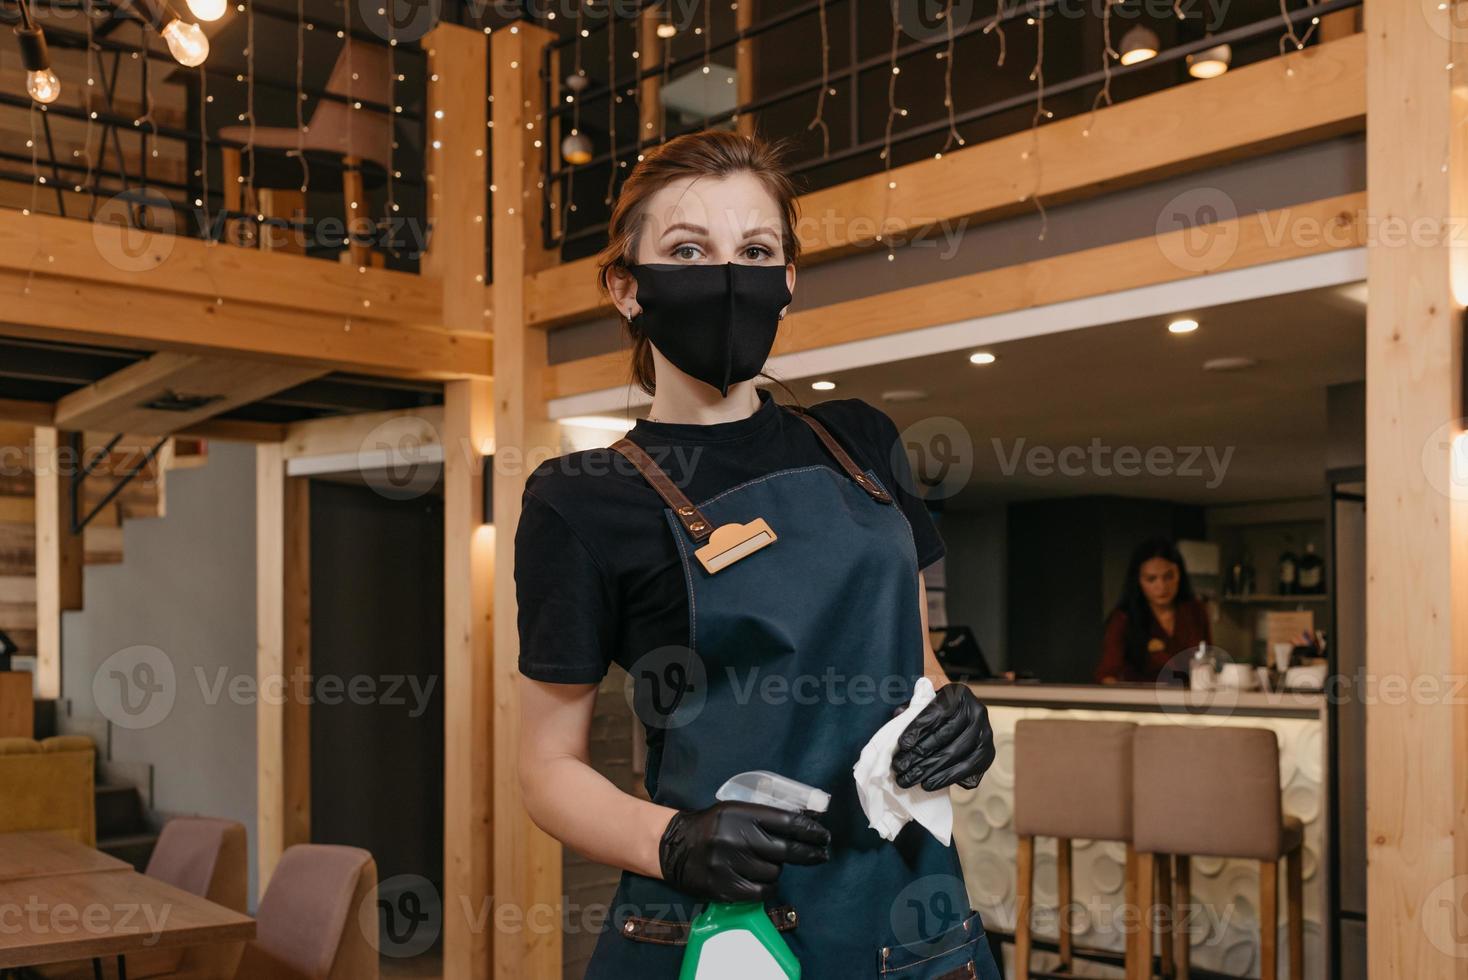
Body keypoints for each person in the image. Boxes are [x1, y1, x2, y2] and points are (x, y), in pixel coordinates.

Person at [514, 131, 1001, 980]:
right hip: (728, 930)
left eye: (756, 250)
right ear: (627, 289)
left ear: (786, 280)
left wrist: (956, 711)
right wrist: (670, 840)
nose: (728, 277)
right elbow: (546, 769)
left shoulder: (861, 442)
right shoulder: (584, 498)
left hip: (914, 918)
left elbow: (911, 662)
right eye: (689, 250)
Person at [1094, 537, 1212, 684]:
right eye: (1151, 579)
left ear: (1179, 575)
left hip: (1191, 701)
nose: (1161, 586)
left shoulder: (1195, 611)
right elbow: (1107, 673)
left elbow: (1208, 661)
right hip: (1143, 701)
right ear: (1138, 580)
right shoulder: (1124, 618)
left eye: (1168, 577)